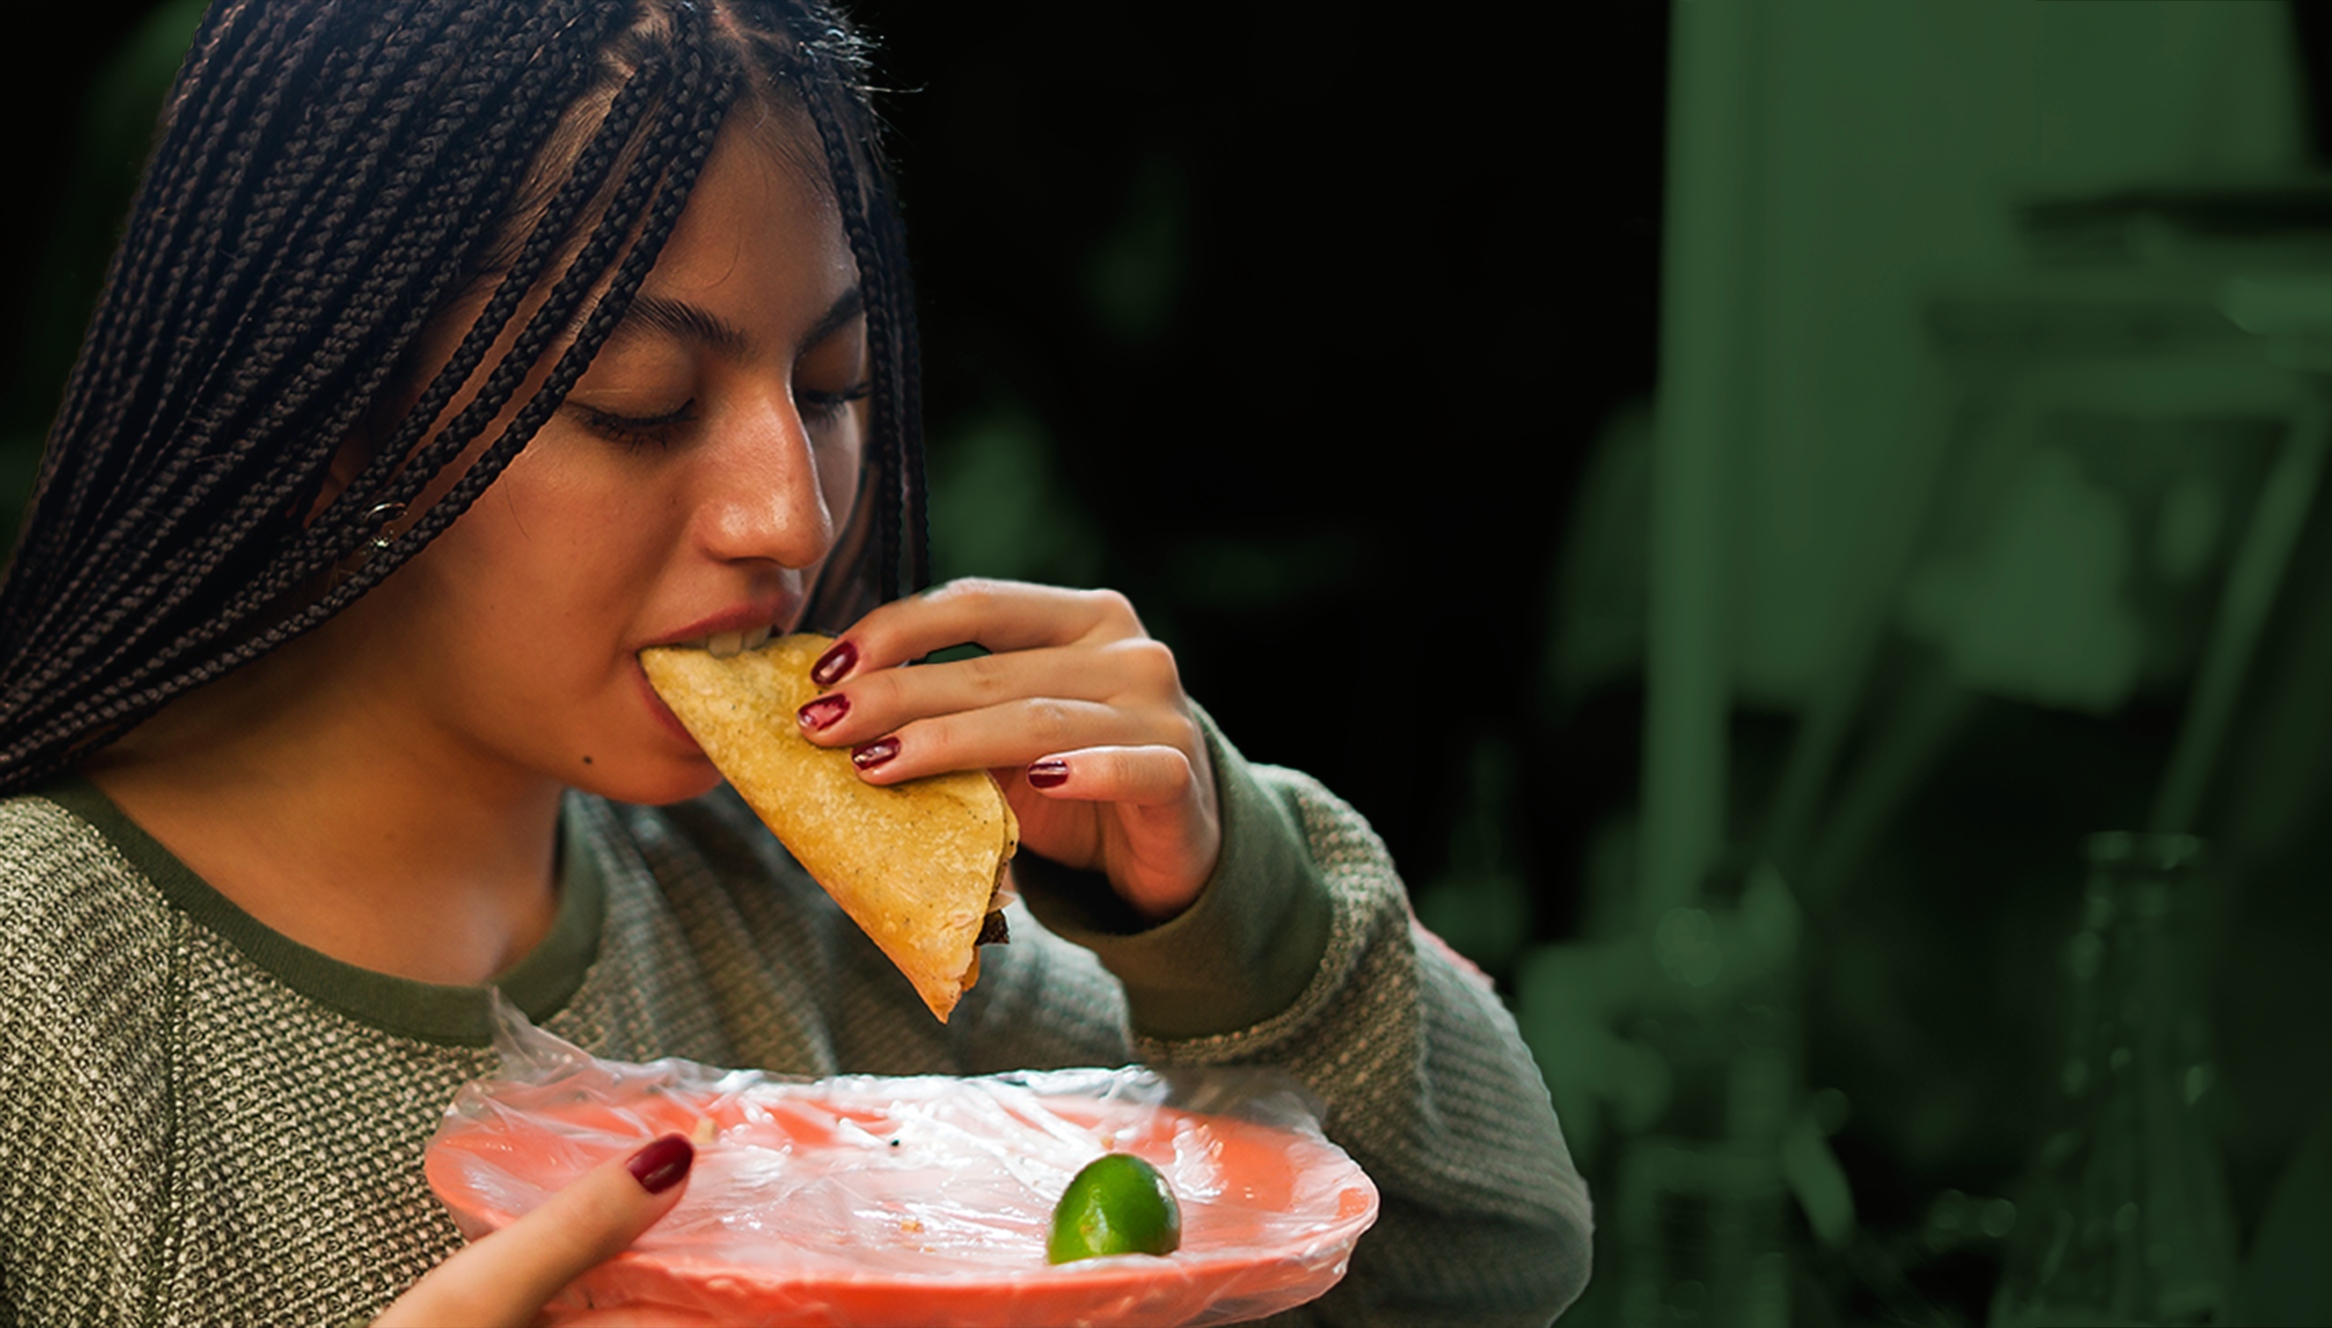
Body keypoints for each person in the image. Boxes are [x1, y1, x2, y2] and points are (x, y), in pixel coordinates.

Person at [0, 1, 1591, 1323]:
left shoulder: (798, 915)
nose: (792, 512)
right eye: (639, 397)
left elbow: (1488, 1262)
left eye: (830, 383)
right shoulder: (41, 1006)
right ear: (319, 417)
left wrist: (1235, 909)